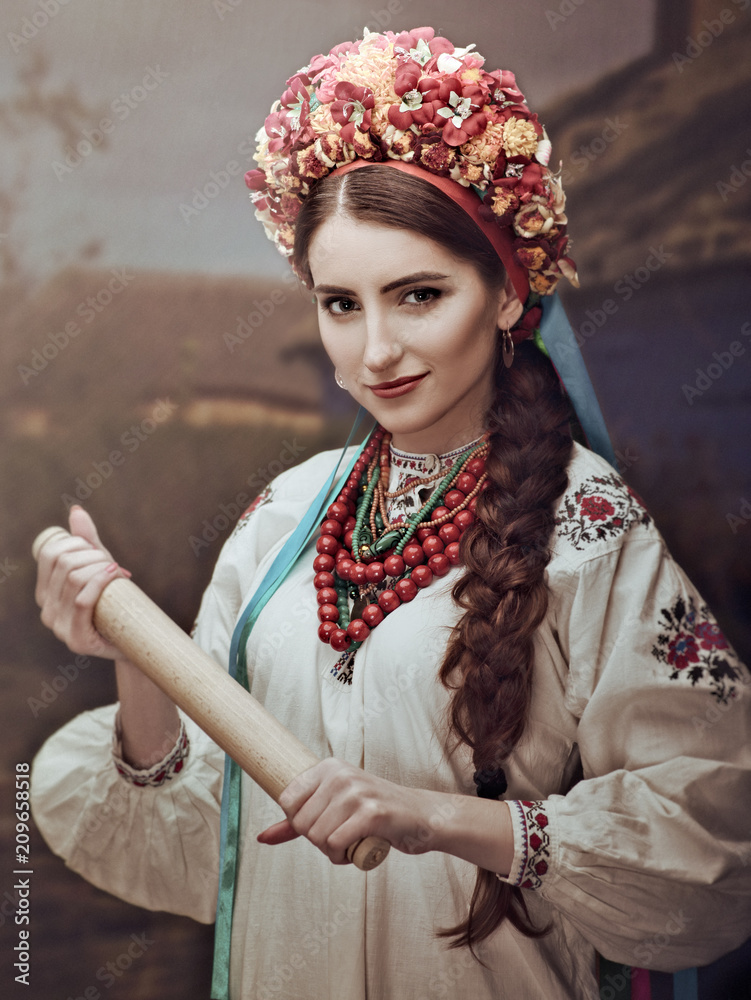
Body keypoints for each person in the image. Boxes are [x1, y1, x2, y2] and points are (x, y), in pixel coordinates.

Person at [31, 26, 750, 1000]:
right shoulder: (285, 514)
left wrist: (439, 817)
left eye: (418, 295)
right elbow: (213, 835)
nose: (376, 351)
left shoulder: (588, 523)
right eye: (340, 304)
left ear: (505, 293)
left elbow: (710, 831)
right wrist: (127, 644)